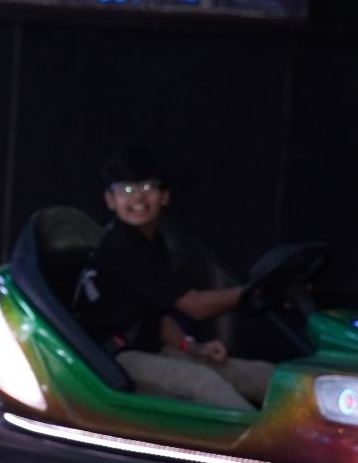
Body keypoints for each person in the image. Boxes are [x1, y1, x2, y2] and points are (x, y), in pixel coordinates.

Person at [75, 146, 273, 411]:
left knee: (257, 373)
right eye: (127, 190)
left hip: (147, 348)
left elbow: (160, 314)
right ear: (110, 200)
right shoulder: (122, 246)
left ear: (165, 196)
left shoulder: (152, 241)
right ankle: (259, 446)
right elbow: (195, 306)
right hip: (116, 359)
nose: (139, 198)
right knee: (202, 382)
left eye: (148, 187)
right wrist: (249, 292)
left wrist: (191, 348)